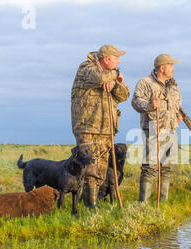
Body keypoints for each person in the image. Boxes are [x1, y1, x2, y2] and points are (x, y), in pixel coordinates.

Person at [71, 44, 130, 208]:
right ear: (106, 59)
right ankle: (90, 206)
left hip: (106, 130)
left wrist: (116, 84)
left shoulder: (109, 75)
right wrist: (114, 76)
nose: (118, 62)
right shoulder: (86, 68)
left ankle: (91, 202)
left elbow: (125, 94)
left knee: (101, 170)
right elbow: (100, 78)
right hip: (88, 128)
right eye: (116, 58)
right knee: (90, 167)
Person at [131, 54, 183, 202]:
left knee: (167, 169)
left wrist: (177, 117)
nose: (174, 68)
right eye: (171, 66)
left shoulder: (173, 84)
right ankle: (143, 206)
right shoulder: (145, 82)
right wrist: (149, 105)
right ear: (162, 67)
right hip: (153, 130)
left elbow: (176, 104)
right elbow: (135, 102)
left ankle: (163, 203)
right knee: (150, 168)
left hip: (171, 131)